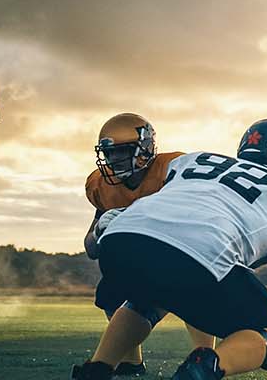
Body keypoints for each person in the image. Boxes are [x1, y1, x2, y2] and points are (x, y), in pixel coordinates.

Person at [71, 119, 267, 380]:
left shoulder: (195, 160)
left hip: (119, 242)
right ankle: (206, 367)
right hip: (197, 256)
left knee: (149, 296)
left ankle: (96, 369)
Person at [80, 112, 213, 376]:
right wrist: (100, 228)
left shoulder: (173, 170)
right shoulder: (102, 186)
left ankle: (204, 356)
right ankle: (131, 362)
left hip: (183, 248)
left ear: (144, 148)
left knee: (194, 292)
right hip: (141, 258)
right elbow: (91, 249)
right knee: (109, 291)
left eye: (122, 152)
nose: (114, 160)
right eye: (109, 154)